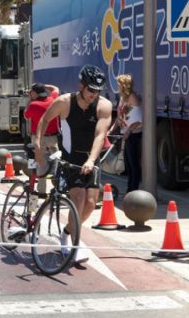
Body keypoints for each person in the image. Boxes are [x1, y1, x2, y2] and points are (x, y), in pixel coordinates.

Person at [35, 65, 112, 264]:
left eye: (97, 91)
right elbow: (44, 120)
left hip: (90, 158)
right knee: (78, 198)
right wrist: (37, 143)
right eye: (91, 90)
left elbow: (100, 135)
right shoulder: (64, 102)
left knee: (90, 203)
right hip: (70, 157)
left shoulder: (104, 106)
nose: (94, 95)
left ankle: (67, 232)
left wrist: (91, 160)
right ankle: (75, 245)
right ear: (82, 86)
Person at [24, 82, 60, 194]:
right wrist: (44, 86)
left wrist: (30, 99)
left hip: (39, 138)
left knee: (39, 163)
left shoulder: (33, 105)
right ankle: (58, 187)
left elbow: (26, 115)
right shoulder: (52, 100)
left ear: (34, 93)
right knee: (56, 161)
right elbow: (56, 88)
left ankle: (41, 191)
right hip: (53, 137)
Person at [109, 74, 142, 193]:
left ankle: (133, 189)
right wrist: (112, 129)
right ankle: (130, 188)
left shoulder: (132, 98)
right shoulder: (123, 97)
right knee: (127, 164)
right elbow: (120, 117)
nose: (117, 85)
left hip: (133, 134)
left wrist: (129, 131)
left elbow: (139, 119)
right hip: (125, 133)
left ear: (123, 85)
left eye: (118, 83)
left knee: (133, 163)